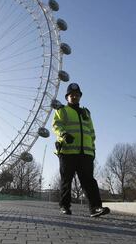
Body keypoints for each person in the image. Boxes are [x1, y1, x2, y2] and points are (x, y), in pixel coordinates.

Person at [52, 82, 110, 217]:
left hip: (86, 153)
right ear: (67, 97)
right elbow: (56, 125)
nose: (74, 97)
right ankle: (65, 206)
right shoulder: (62, 111)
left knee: (89, 181)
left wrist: (93, 150)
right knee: (67, 181)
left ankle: (95, 208)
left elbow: (91, 132)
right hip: (67, 152)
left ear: (80, 97)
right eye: (71, 95)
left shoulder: (86, 112)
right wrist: (64, 134)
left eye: (77, 95)